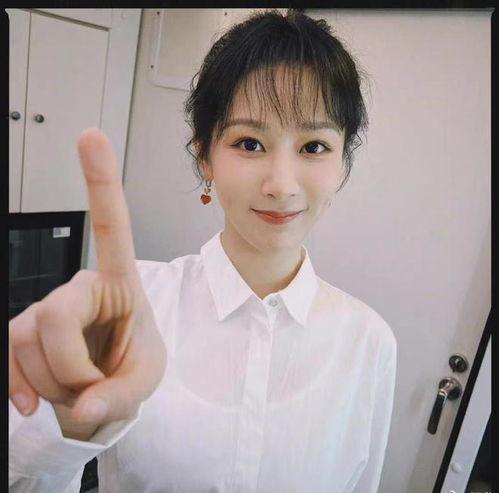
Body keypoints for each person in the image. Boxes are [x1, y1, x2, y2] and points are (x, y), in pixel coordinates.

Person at [9, 9, 397, 493]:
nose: (281, 185)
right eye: (249, 143)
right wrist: (67, 422)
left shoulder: (369, 343)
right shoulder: (136, 308)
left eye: (314, 147)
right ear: (205, 157)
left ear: (342, 163)